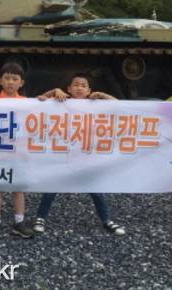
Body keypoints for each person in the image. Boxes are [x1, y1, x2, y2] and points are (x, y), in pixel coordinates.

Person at [34, 73, 126, 236]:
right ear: (68, 89)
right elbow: (39, 100)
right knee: (52, 188)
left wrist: (102, 95)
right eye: (76, 85)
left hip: (86, 156)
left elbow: (119, 105)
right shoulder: (61, 101)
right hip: (64, 155)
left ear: (89, 90)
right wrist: (54, 91)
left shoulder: (95, 104)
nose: (79, 88)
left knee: (95, 190)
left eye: (83, 86)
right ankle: (40, 218)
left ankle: (106, 220)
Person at [0, 62, 34, 239]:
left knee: (18, 188)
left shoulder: (27, 102)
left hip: (19, 151)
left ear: (21, 82)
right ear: (0, 81)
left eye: (15, 79)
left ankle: (19, 221)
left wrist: (48, 97)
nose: (10, 82)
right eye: (7, 78)